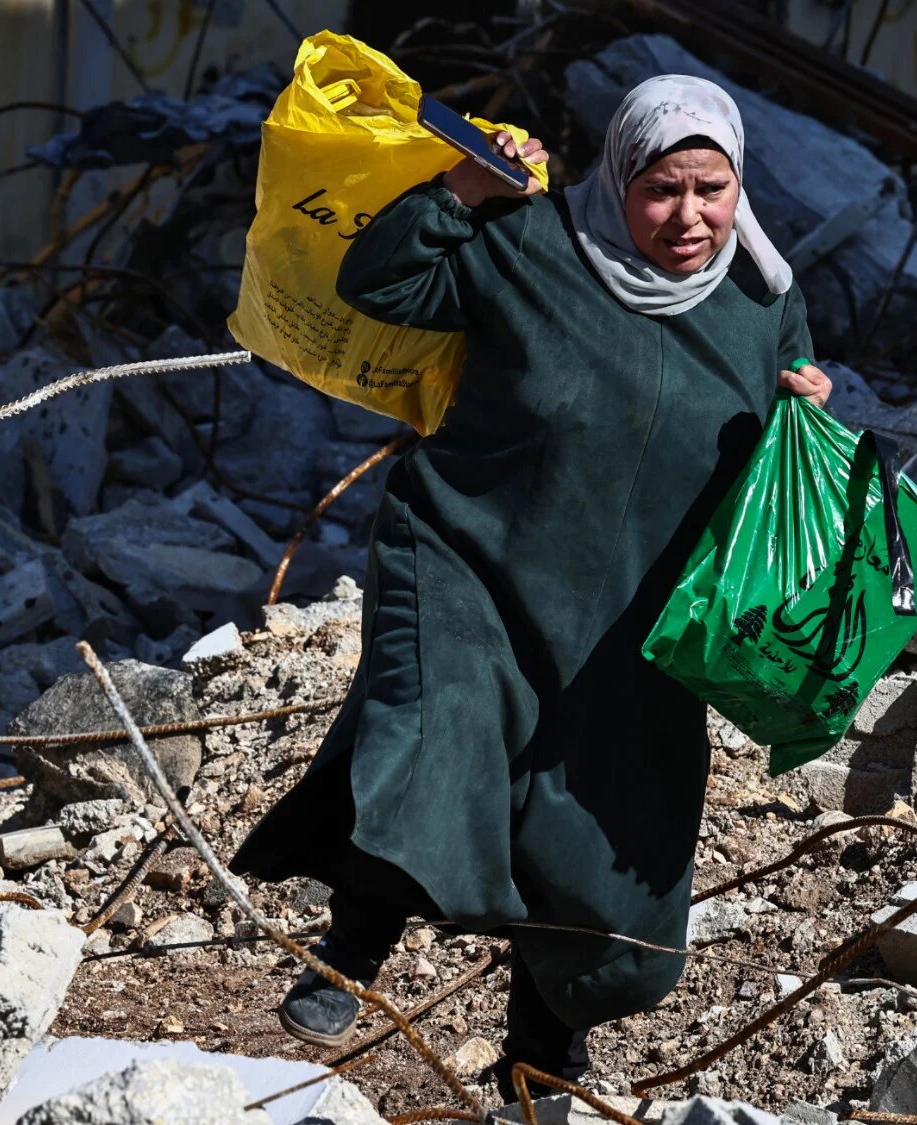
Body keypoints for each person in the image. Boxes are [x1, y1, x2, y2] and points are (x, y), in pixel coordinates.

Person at [230, 74, 832, 1096]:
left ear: (739, 187)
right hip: (474, 555)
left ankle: (543, 1047)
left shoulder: (760, 300)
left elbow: (778, 432)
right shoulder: (530, 242)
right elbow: (376, 284)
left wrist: (805, 406)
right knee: (436, 733)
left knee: (602, 824)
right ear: (617, 177)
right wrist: (461, 188)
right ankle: (357, 941)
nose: (687, 216)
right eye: (659, 190)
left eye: (710, 189)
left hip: (637, 612)